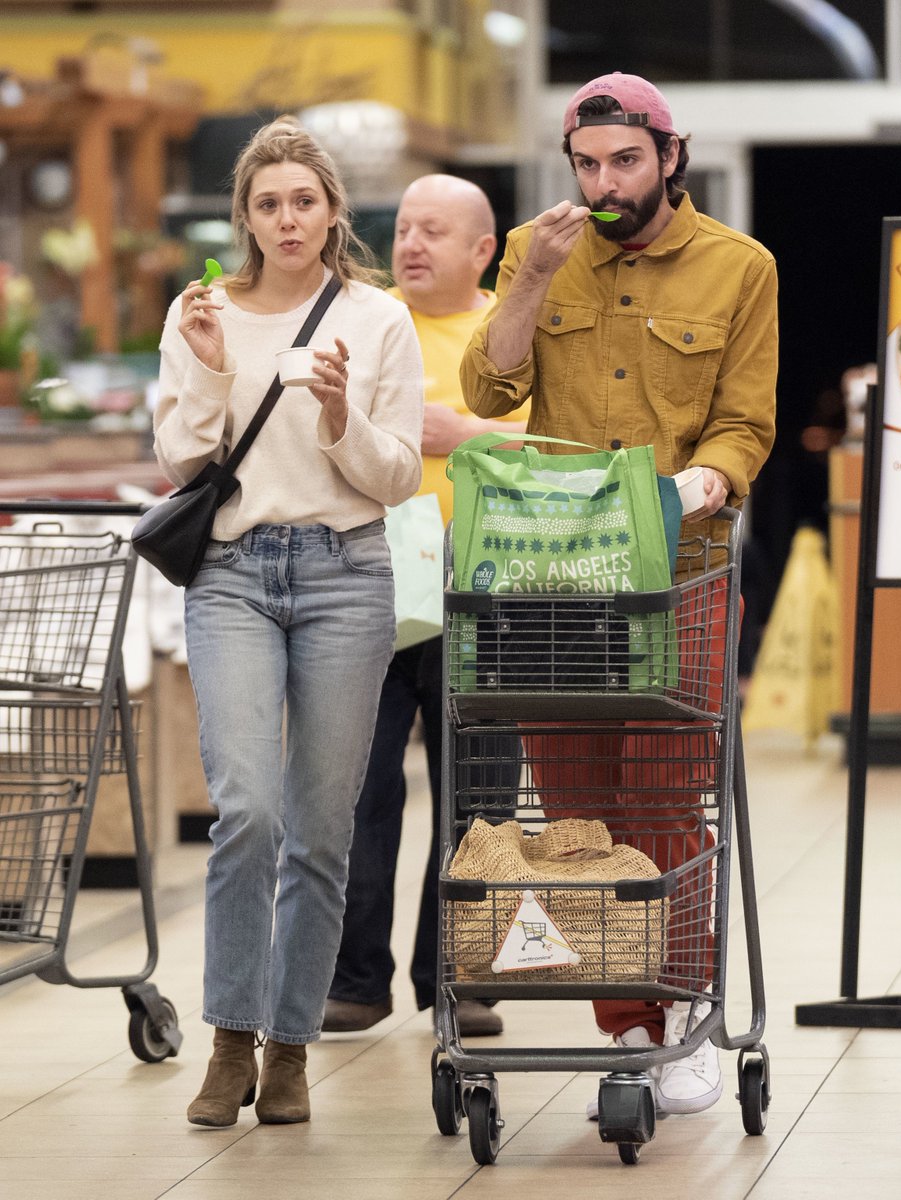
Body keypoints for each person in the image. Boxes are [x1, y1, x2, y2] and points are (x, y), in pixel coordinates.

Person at [460, 72, 778, 1115]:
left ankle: (679, 1014)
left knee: (663, 796)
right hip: (553, 575)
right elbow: (487, 389)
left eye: (624, 162)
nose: (603, 184)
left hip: (677, 574)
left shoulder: (741, 267)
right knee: (575, 811)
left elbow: (745, 421)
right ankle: (629, 1026)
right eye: (586, 164)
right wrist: (527, 283)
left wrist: (699, 483)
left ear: (669, 156)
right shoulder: (534, 250)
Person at [153, 115, 423, 1127]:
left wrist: (340, 413)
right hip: (230, 572)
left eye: (302, 200)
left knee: (319, 827)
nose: (286, 218)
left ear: (330, 211)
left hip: (345, 574)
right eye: (267, 203)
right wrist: (216, 366)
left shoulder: (376, 318)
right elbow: (182, 464)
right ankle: (229, 1037)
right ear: (246, 216)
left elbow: (393, 474)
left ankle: (292, 1046)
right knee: (248, 811)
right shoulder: (203, 311)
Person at [322, 174, 527, 1038]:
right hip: (367, 577)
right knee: (355, 788)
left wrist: (464, 434)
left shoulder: (507, 331)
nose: (410, 244)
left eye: (434, 231)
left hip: (486, 590)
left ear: (482, 249)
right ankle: (355, 978)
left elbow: (566, 442)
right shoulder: (361, 318)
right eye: (404, 228)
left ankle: (461, 976)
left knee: (478, 794)